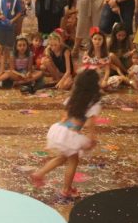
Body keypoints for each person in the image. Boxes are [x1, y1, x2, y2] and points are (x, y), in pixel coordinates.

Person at [31, 70, 102, 200]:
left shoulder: (72, 98)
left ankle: (39, 173)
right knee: (73, 161)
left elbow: (65, 117)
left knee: (62, 158)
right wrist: (91, 139)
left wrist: (61, 137)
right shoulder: (93, 103)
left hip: (60, 128)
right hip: (71, 134)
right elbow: (90, 125)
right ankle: (66, 189)